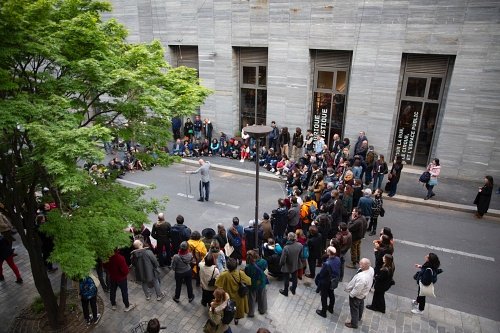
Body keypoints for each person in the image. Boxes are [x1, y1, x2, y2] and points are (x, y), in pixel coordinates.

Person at [215, 258, 251, 325]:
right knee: (238, 309)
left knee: (228, 308)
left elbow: (217, 284)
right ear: (236, 266)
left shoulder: (224, 274)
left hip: (228, 297)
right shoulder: (240, 273)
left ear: (227, 266)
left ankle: (228, 318)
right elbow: (249, 281)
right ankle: (236, 319)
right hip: (239, 297)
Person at [344, 258, 374, 329]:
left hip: (357, 295)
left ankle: (354, 324)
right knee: (360, 304)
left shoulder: (362, 278)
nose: (359, 264)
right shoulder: (371, 269)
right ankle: (359, 317)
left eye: (360, 264)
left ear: (363, 266)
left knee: (354, 309)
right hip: (363, 294)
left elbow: (357, 289)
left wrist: (351, 295)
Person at [315, 246, 341, 317]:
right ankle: (331, 308)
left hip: (326, 281)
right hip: (333, 280)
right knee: (331, 294)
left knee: (324, 296)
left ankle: (323, 312)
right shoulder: (338, 259)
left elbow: (322, 274)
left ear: (329, 253)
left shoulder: (327, 263)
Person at [244, 250, 268, 317]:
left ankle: (251, 313)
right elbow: (266, 271)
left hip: (252, 285)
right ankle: (262, 310)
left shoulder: (247, 267)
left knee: (251, 298)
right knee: (262, 296)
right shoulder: (263, 262)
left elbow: (247, 276)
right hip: (261, 282)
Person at [279, 232, 303, 297]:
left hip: (287, 266)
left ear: (288, 238)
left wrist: (281, 265)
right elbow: (301, 255)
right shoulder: (300, 245)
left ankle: (285, 292)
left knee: (286, 279)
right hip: (295, 264)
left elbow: (282, 260)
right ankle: (293, 289)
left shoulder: (286, 248)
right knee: (295, 278)